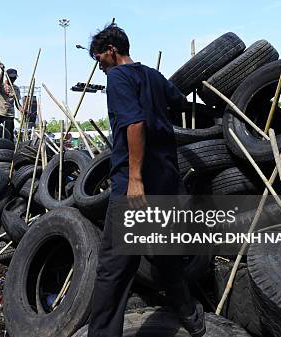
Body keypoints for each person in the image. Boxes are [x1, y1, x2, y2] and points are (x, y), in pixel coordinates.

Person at [86, 24, 205, 337]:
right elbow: (180, 102)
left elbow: (134, 123)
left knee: (114, 269)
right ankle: (190, 314)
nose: (99, 65)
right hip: (166, 179)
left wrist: (135, 179)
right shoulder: (152, 75)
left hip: (134, 185)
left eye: (99, 57)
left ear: (112, 49)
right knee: (167, 256)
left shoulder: (118, 78)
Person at [0, 63, 21, 140]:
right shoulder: (2, 85)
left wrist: (23, 110)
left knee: (9, 134)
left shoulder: (16, 89)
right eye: (11, 78)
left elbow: (17, 104)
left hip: (9, 114)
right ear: (7, 77)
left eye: (14, 78)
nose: (12, 79)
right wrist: (2, 71)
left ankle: (9, 149)